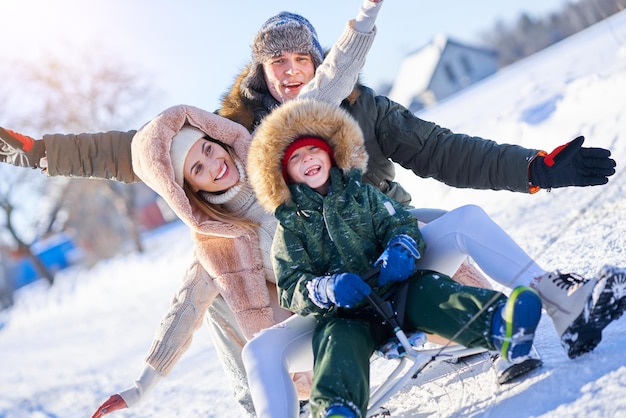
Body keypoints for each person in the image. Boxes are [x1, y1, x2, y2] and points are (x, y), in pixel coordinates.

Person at [0, 2, 618, 371]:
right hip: (311, 267)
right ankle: (280, 400)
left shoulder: (362, 108)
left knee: (458, 265)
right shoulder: (233, 134)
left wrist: (535, 167)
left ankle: (553, 298)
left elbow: (443, 152)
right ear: (262, 74)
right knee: (216, 295)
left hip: (388, 232)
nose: (292, 71)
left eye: (302, 59)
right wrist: (36, 155)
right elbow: (129, 149)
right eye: (278, 62)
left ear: (320, 61)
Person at [89, 2, 385, 417]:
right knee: (217, 300)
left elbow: (329, 83)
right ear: (188, 187)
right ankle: (273, 405)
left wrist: (365, 17)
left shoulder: (269, 152)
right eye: (198, 167)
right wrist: (140, 387)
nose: (215, 164)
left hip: (360, 274)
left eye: (209, 148)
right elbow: (184, 310)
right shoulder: (216, 238)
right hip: (319, 311)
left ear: (218, 138)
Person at [244, 97, 626, 418]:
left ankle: (503, 324)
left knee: (435, 293)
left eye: (314, 150)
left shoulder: (362, 192)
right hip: (343, 313)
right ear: (284, 176)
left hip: (398, 287)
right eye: (297, 159)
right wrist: (327, 289)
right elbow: (292, 283)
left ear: (331, 152)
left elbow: (402, 220)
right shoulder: (291, 225)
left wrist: (401, 248)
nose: (309, 159)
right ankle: (338, 409)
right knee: (337, 343)